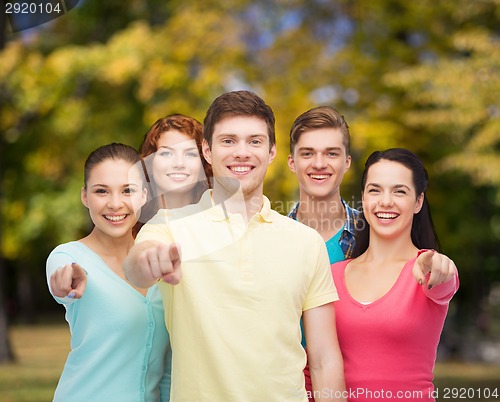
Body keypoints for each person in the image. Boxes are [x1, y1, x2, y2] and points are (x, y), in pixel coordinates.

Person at [125, 90, 347, 402]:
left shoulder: (306, 242)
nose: (242, 152)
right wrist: (150, 261)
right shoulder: (169, 227)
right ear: (207, 150)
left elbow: (324, 358)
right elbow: (137, 264)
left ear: (271, 152)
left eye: (254, 141)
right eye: (228, 141)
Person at [46, 143, 172, 402]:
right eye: (102, 191)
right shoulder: (69, 257)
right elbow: (63, 281)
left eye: (128, 190)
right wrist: (65, 285)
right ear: (85, 196)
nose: (115, 204)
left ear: (144, 195)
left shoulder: (159, 261)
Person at [332, 148, 459, 401]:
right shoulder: (332, 275)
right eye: (375, 190)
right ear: (363, 198)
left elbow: (445, 282)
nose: (385, 201)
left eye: (399, 191)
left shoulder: (427, 269)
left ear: (418, 202)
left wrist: (442, 268)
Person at [136, 114, 211, 228]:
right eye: (167, 153)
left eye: (190, 154)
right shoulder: (127, 225)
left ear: (202, 164)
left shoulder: (222, 222)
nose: (179, 164)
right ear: (150, 163)